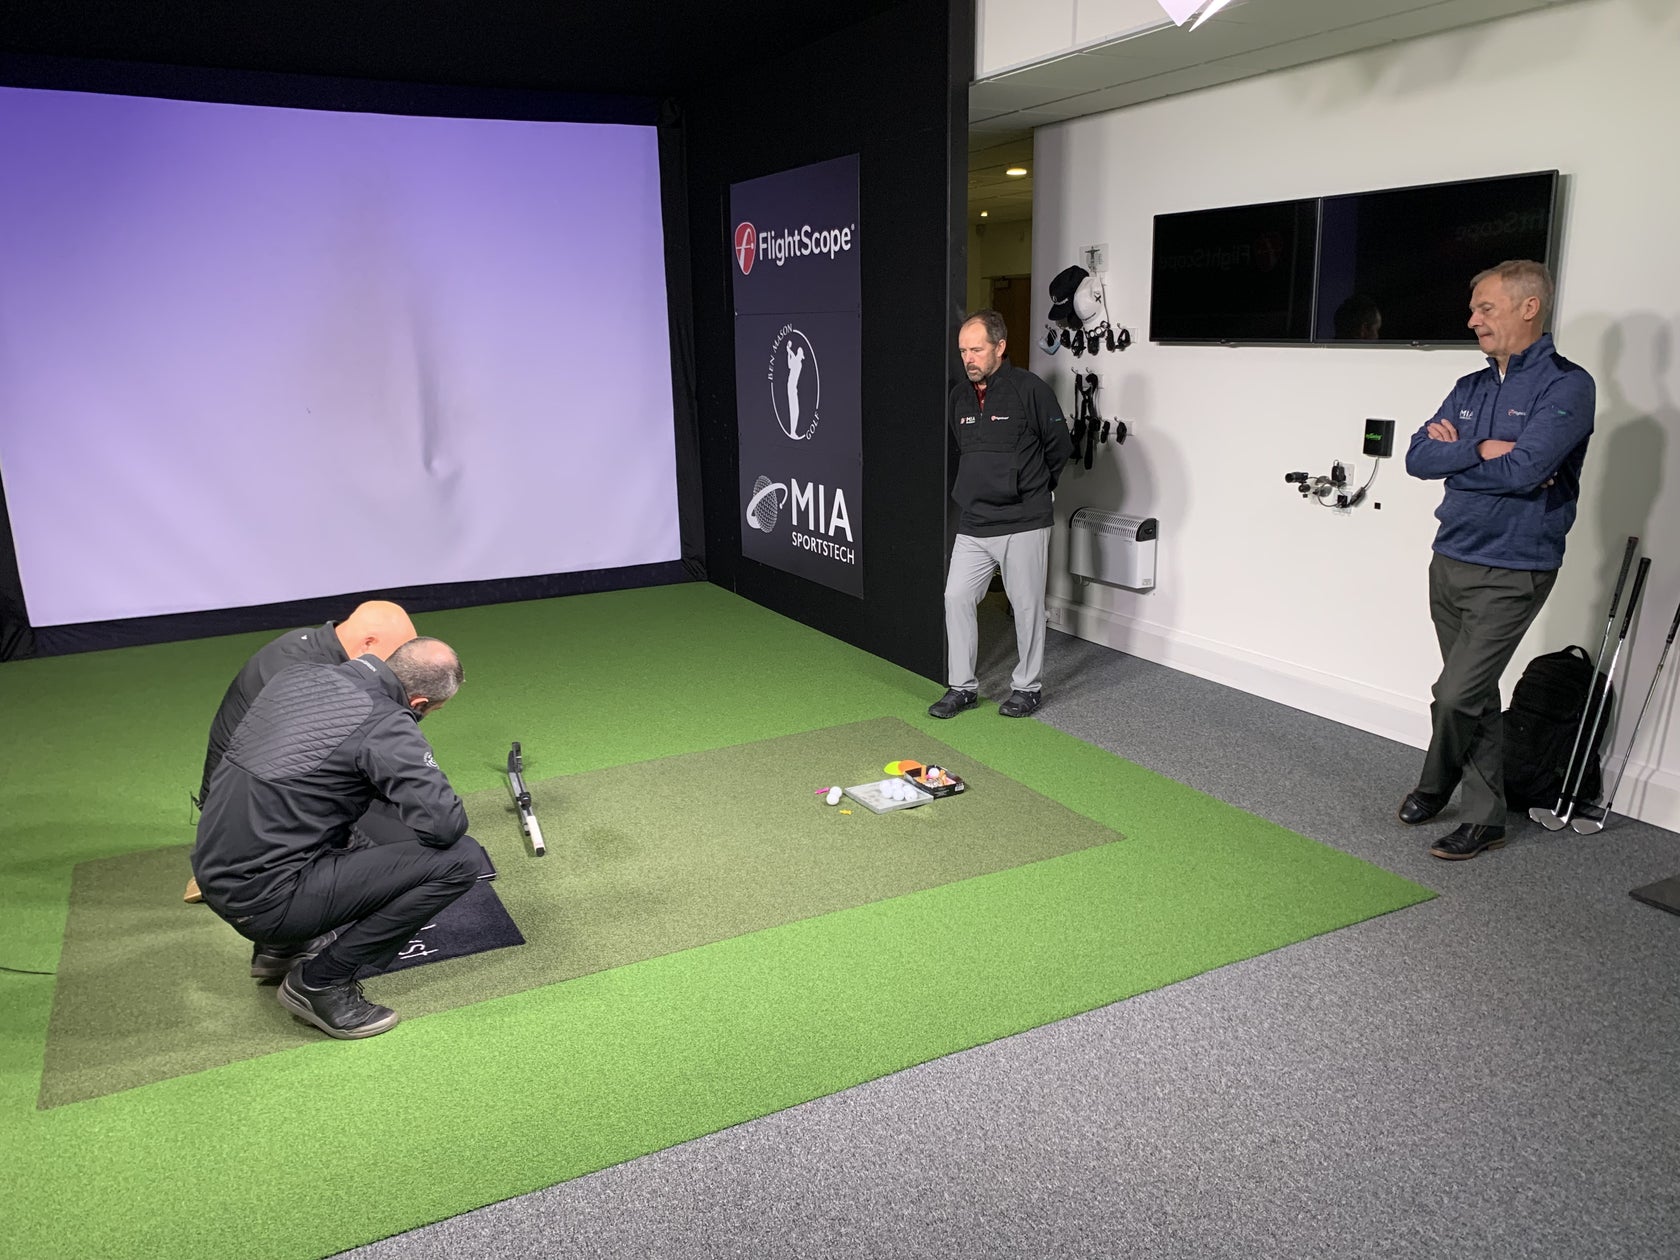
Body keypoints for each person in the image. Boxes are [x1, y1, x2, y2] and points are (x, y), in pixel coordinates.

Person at [1401, 259, 1595, 860]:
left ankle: (1437, 782)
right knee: (1476, 694)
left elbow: (1528, 470)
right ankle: (1485, 818)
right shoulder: (1470, 387)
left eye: (1486, 308)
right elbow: (1415, 458)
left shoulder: (1567, 386)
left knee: (1456, 694)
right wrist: (1482, 448)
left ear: (1528, 306)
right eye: (1474, 309)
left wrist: (1459, 457)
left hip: (1515, 564)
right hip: (1450, 554)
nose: (1473, 319)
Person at [192, 637, 481, 1038]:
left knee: (338, 805)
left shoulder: (299, 677)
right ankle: (321, 984)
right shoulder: (387, 724)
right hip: (263, 900)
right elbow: (444, 824)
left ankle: (282, 949)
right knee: (461, 859)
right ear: (419, 704)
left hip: (213, 870)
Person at [183, 600, 417, 902]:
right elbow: (341, 767)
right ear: (368, 643)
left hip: (246, 796)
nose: (397, 670)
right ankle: (235, 863)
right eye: (395, 658)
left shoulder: (307, 643)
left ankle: (225, 860)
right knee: (415, 848)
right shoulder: (315, 673)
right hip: (253, 812)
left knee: (411, 819)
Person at [930, 309, 1071, 720]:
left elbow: (1058, 446)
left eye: (977, 349)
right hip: (975, 522)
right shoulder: (959, 398)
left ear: (1000, 347)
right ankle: (962, 687)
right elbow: (966, 449)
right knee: (955, 597)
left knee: (1026, 606)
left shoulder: (1031, 390)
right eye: (963, 351)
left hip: (1024, 520)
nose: (969, 358)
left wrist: (1032, 489)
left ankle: (1027, 688)